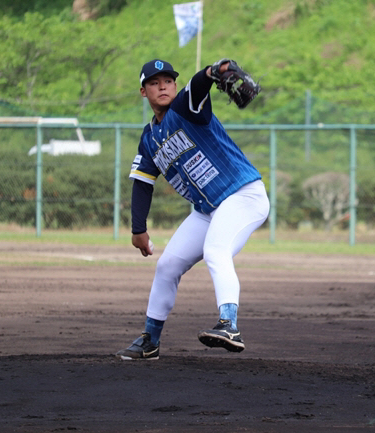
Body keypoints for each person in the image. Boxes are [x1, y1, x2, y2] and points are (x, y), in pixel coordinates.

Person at [116, 59, 270, 360]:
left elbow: (198, 84)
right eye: (154, 82)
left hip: (242, 195)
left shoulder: (186, 107)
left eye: (168, 81)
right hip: (206, 210)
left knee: (216, 250)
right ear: (143, 92)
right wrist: (138, 229)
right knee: (167, 266)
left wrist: (213, 72)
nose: (163, 86)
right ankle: (151, 340)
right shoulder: (149, 139)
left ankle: (230, 326)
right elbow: (143, 183)